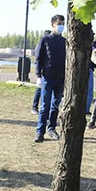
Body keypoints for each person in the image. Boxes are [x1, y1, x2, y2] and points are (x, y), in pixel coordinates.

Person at [34, 15, 66, 143]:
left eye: (63, 23)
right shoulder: (45, 40)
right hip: (47, 77)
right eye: (59, 23)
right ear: (52, 25)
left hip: (61, 78)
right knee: (44, 106)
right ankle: (39, 132)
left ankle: (51, 128)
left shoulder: (64, 41)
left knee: (55, 105)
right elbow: (38, 59)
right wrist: (38, 76)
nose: (61, 26)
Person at [31, 29, 52, 115]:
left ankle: (44, 108)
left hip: (47, 70)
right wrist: (38, 74)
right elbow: (38, 59)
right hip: (43, 70)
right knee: (39, 89)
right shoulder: (41, 44)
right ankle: (34, 107)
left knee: (43, 90)